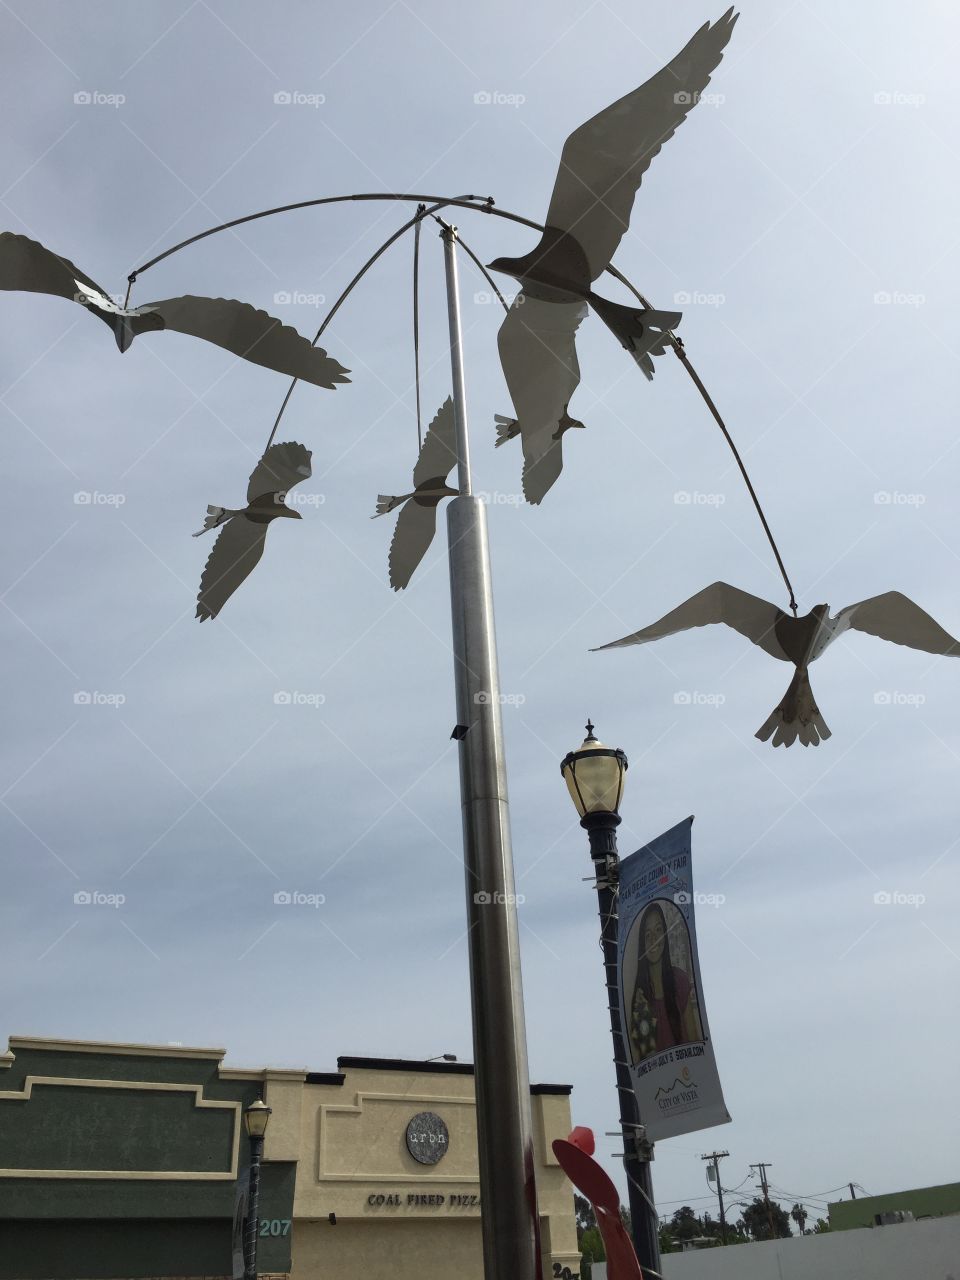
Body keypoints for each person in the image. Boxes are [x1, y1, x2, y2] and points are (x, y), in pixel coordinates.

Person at [628, 901, 703, 1062]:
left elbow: (694, 1037)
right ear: (642, 943)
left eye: (658, 930)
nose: (654, 939)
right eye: (648, 935)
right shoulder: (640, 997)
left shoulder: (679, 980)